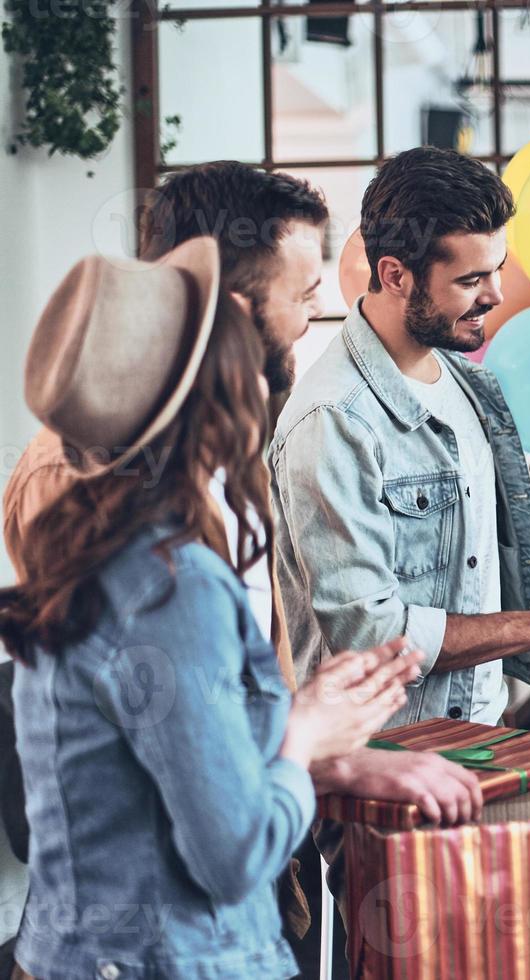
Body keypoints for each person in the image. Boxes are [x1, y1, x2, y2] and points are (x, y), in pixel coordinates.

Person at [0, 162, 484, 974]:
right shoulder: (158, 564)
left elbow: (188, 728)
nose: (312, 319)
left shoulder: (159, 515)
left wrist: (337, 753)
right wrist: (306, 732)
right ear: (226, 338)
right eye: (300, 295)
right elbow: (218, 842)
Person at [271, 146, 530, 734]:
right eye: (471, 278)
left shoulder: (471, 386)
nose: (495, 294)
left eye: (497, 268)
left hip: (482, 739)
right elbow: (372, 635)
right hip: (383, 770)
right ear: (394, 275)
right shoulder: (332, 418)